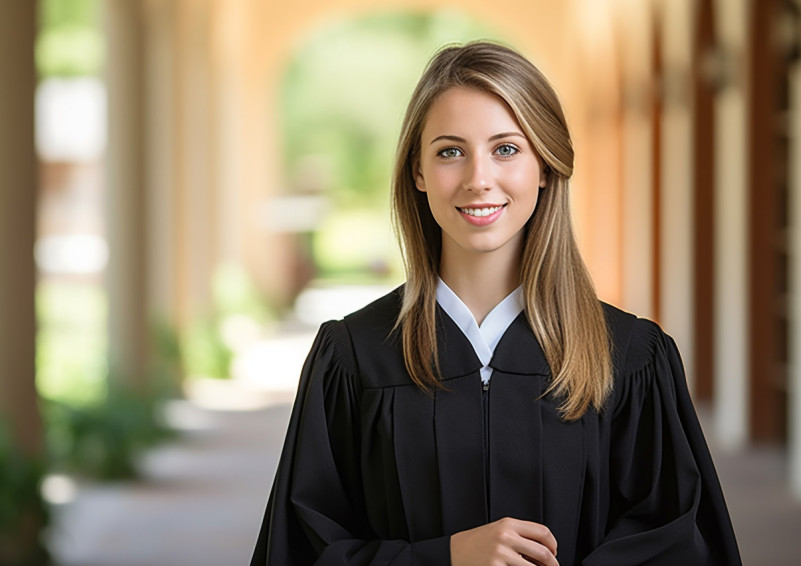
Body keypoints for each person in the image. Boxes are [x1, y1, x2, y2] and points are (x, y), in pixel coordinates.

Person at [251, 41, 741, 565]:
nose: (478, 178)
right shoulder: (354, 358)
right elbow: (303, 549)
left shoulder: (628, 357)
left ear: (546, 167)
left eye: (506, 149)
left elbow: (677, 544)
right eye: (449, 151)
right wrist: (448, 558)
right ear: (417, 173)